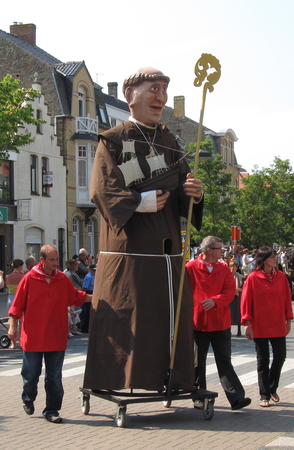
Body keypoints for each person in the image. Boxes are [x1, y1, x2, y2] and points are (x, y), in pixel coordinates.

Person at [83, 67, 204, 392]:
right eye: (153, 88)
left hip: (168, 259)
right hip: (130, 259)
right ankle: (119, 381)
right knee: (131, 325)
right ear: (130, 95)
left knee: (167, 323)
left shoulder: (169, 142)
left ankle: (172, 380)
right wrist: (139, 201)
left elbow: (182, 191)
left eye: (164, 89)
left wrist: (194, 193)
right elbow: (101, 190)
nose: (160, 97)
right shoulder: (113, 141)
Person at [8, 245, 92, 423]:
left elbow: (76, 296)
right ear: (42, 260)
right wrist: (12, 326)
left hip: (56, 335)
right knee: (31, 374)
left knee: (54, 376)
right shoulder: (29, 278)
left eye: (57, 259)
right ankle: (28, 398)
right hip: (33, 336)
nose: (56, 263)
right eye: (52, 260)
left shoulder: (61, 278)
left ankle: (52, 410)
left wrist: (99, 296)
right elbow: (16, 305)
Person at [186, 236, 250, 411]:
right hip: (198, 322)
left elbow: (230, 292)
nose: (223, 252)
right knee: (198, 362)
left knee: (224, 360)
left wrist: (215, 300)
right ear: (208, 251)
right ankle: (199, 397)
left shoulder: (223, 268)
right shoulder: (191, 267)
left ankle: (236, 398)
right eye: (219, 249)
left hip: (221, 322)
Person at [241, 247, 293, 407]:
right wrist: (247, 323)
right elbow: (246, 301)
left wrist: (288, 319)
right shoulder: (252, 278)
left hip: (277, 323)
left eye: (275, 256)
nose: (275, 259)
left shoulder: (281, 277)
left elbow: (287, 298)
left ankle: (272, 387)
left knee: (280, 356)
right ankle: (264, 394)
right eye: (272, 257)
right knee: (263, 360)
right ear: (263, 260)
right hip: (260, 324)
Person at [6, 259, 26, 348]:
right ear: (19, 267)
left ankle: (13, 343)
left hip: (10, 298)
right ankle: (22, 341)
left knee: (13, 322)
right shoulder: (23, 276)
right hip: (20, 297)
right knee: (22, 322)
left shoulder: (7, 277)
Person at [229, 260, 243, 337]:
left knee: (237, 313)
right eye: (231, 267)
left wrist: (237, 289)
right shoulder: (227, 276)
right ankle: (229, 329)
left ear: (236, 268)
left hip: (237, 296)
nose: (232, 269)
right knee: (229, 314)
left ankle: (239, 329)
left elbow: (244, 288)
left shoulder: (240, 277)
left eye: (233, 267)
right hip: (229, 297)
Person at [80, 264, 96, 333]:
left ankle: (89, 327)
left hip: (93, 293)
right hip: (88, 293)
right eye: (94, 270)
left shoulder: (94, 276)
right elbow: (84, 288)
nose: (95, 271)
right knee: (87, 312)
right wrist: (83, 297)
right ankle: (84, 328)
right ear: (90, 270)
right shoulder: (89, 277)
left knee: (91, 311)